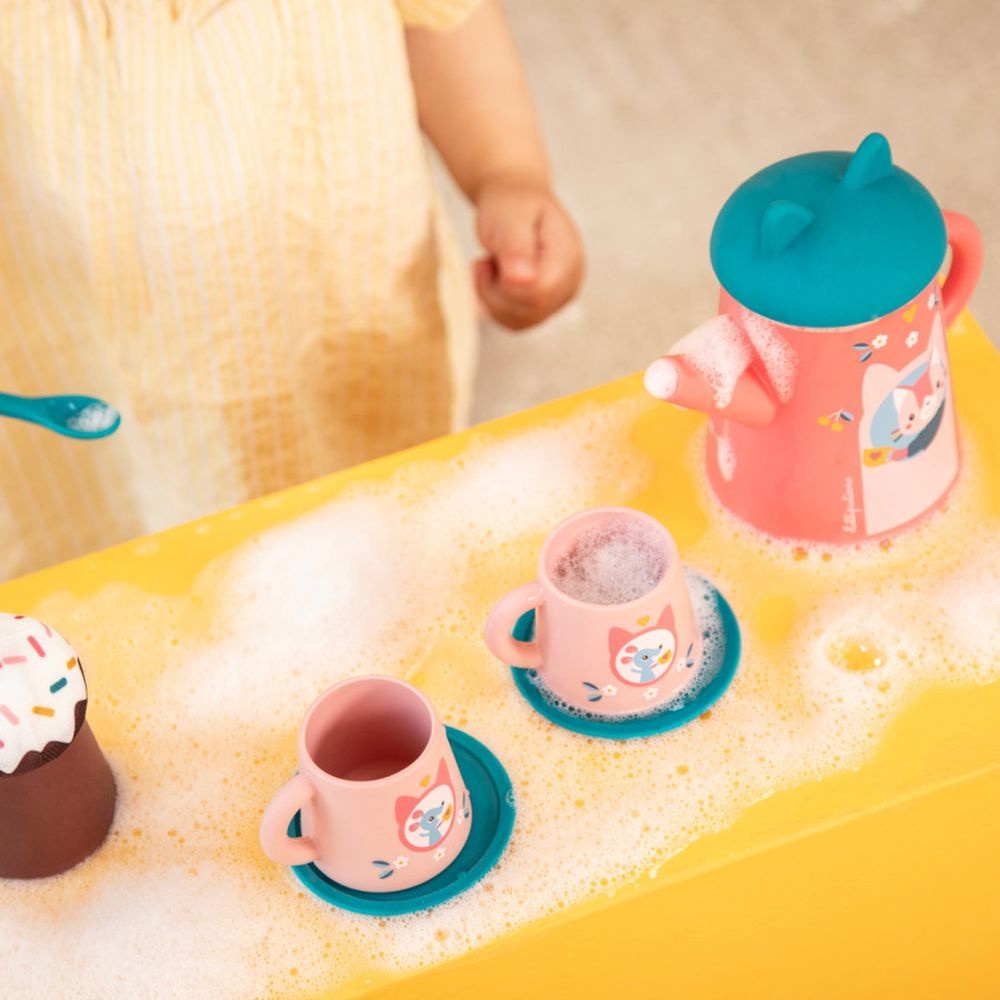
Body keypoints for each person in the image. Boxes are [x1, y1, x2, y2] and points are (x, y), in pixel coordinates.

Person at [0, 0, 583, 576]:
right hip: (75, 345)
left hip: (332, 297)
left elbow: (446, 20)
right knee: (119, 546)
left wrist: (506, 172)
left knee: (374, 516)